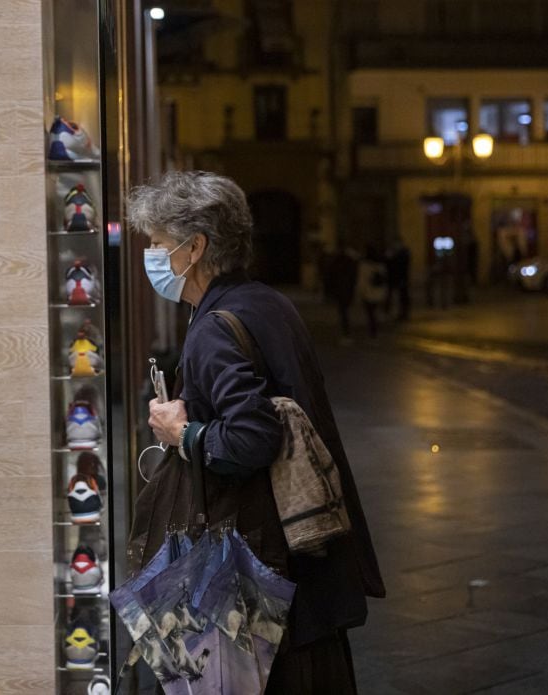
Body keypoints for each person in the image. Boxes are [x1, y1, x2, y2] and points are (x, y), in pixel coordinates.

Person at [125, 171, 385, 694]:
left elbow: (252, 437)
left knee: (218, 680)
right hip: (303, 557)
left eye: (156, 243)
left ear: (194, 246)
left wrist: (183, 432)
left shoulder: (216, 326)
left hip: (253, 567)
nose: (151, 256)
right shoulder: (266, 301)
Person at [325, 245, 359, 338]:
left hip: (340, 291)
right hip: (346, 290)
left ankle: (346, 332)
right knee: (344, 311)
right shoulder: (350, 262)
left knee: (343, 312)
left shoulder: (335, 263)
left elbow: (330, 278)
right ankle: (346, 331)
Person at [356, 245, 388, 338]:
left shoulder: (364, 265)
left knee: (370, 314)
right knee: (375, 312)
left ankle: (372, 330)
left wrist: (360, 292)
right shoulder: (380, 265)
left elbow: (362, 281)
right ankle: (376, 329)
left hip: (368, 293)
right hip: (379, 293)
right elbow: (384, 279)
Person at [385, 239, 411, 321]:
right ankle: (399, 313)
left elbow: (401, 267)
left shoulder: (402, 254)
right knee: (399, 298)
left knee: (402, 298)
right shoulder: (397, 253)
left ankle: (403, 314)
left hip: (401, 279)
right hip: (395, 279)